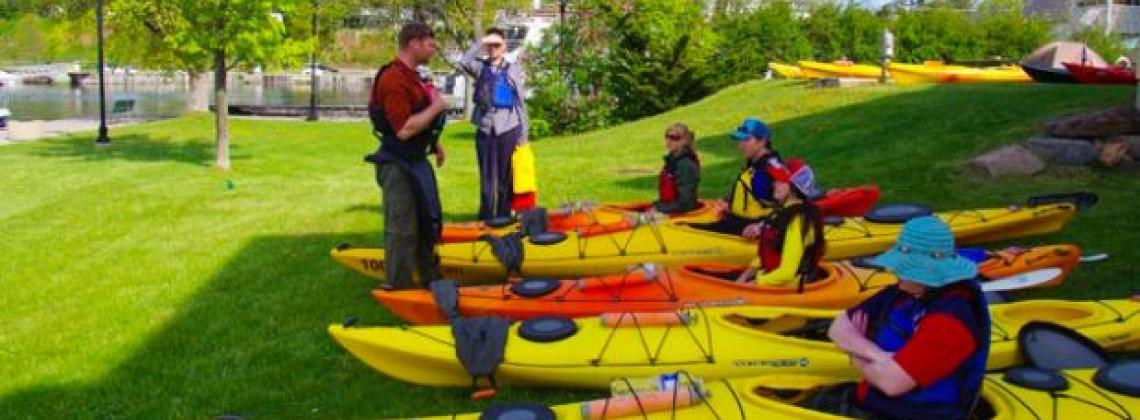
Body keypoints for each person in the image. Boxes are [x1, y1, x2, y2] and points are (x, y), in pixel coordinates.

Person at [826, 216, 990, 419]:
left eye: (905, 268)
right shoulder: (903, 291)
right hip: (874, 403)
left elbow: (891, 384)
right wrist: (878, 356)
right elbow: (839, 327)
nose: (895, 271)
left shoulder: (950, 322)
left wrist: (855, 356)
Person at [366, 22, 448, 289]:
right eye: (429, 43)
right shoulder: (393, 79)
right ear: (413, 43)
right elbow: (403, 129)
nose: (433, 48)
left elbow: (417, 121)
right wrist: (437, 106)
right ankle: (398, 287)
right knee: (402, 229)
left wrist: (434, 142)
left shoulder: (413, 76)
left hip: (414, 159)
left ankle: (430, 280)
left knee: (427, 221)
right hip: (397, 164)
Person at [458, 27, 531, 220]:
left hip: (509, 128)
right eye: (490, 46)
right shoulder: (480, 68)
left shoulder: (513, 69)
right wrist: (481, 42)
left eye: (497, 45)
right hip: (485, 129)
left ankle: (504, 215)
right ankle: (486, 217)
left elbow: (520, 101)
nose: (492, 49)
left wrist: (524, 135)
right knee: (487, 177)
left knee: (506, 177)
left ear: (504, 47)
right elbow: (463, 61)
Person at [691, 117, 789, 236]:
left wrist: (762, 226)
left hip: (751, 228)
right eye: (740, 140)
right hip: (737, 221)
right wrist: (728, 203)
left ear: (762, 141)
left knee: (691, 232)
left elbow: (788, 203)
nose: (740, 145)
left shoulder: (774, 167)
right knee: (688, 227)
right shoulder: (754, 164)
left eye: (746, 140)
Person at [733, 170, 825, 287]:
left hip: (786, 288)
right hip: (769, 278)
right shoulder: (782, 211)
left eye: (781, 181)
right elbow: (769, 252)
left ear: (794, 187)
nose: (774, 184)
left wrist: (752, 284)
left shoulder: (798, 220)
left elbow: (786, 274)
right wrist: (743, 278)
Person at [652, 123, 701, 214]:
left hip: (679, 213)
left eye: (675, 138)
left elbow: (686, 203)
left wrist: (659, 209)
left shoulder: (686, 165)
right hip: (669, 208)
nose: (669, 141)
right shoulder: (672, 161)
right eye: (667, 136)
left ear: (685, 141)